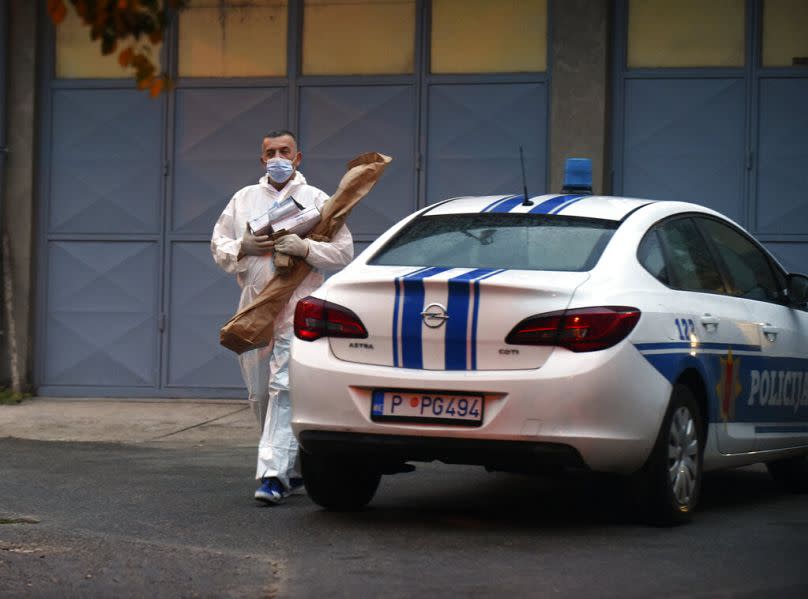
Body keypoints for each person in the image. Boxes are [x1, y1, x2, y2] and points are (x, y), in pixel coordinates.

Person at [211, 130, 354, 504]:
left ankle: (272, 475)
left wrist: (307, 247)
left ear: (298, 157)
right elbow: (219, 244)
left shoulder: (318, 200)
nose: (277, 157)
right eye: (270, 152)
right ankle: (290, 465)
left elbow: (343, 252)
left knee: (285, 389)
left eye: (284, 151)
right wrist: (242, 246)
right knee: (260, 394)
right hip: (255, 307)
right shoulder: (244, 199)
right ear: (262, 160)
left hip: (299, 305)